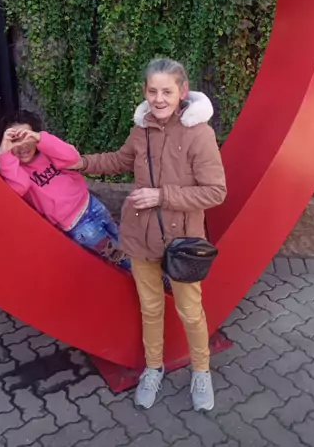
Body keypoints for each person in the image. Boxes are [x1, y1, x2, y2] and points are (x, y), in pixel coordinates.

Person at [70, 58, 226, 411]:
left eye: (167, 91)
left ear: (182, 92)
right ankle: (153, 368)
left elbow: (215, 192)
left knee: (190, 311)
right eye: (152, 91)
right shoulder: (140, 131)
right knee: (151, 308)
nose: (159, 99)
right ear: (144, 91)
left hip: (183, 244)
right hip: (140, 238)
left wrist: (161, 196)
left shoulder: (199, 133)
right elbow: (118, 160)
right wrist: (80, 162)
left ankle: (201, 371)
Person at [0, 110, 130, 271]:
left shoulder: (47, 152)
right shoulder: (15, 169)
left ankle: (146, 274)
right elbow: (20, 187)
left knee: (124, 242)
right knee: (118, 257)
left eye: (26, 137)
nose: (22, 145)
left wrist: (40, 138)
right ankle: (147, 280)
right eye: (15, 140)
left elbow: (72, 157)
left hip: (91, 204)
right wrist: (4, 154)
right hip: (78, 226)